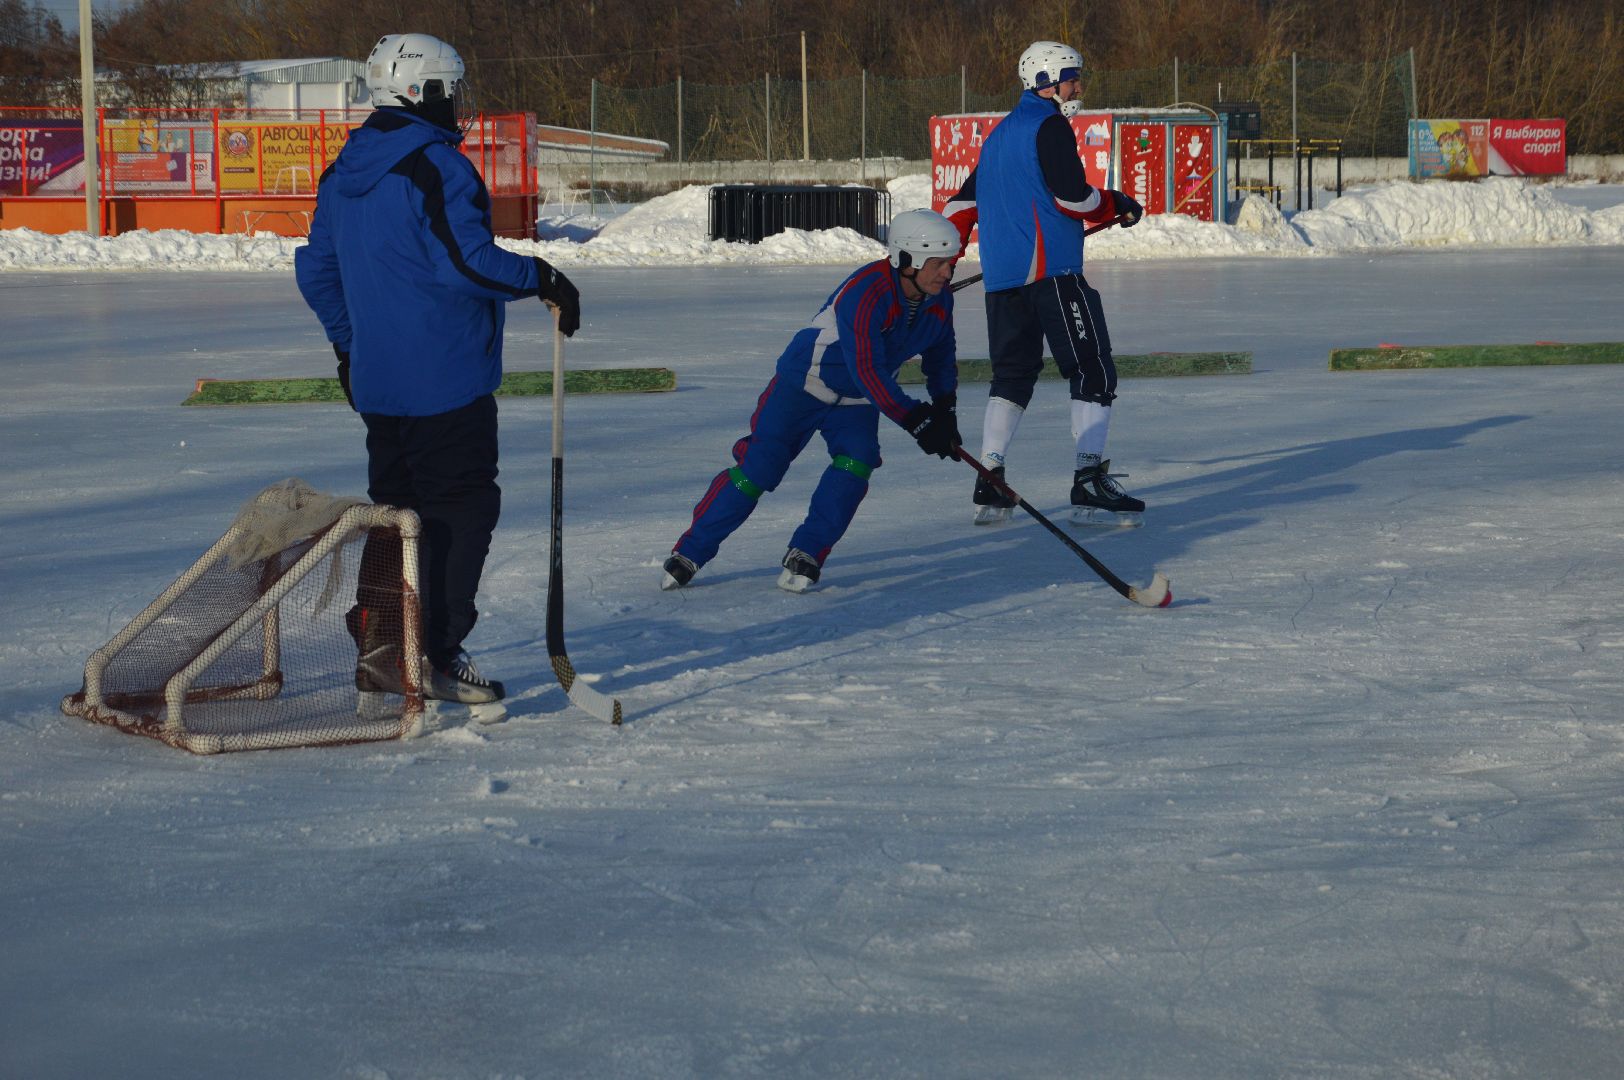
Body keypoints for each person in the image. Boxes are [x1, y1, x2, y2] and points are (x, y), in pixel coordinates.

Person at [295, 32, 580, 704]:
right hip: (446, 382)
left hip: (382, 386)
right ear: (422, 92)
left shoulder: (346, 169)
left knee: (398, 516)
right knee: (459, 510)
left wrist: (349, 350)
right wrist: (543, 277)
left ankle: (381, 651)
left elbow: (318, 272)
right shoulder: (435, 166)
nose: (458, 105)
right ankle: (436, 652)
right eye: (451, 91)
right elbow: (467, 262)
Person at [661, 209, 963, 594]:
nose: (946, 274)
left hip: (858, 399)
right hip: (805, 383)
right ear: (907, 260)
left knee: (858, 461)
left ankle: (807, 551)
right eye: (938, 264)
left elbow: (941, 352)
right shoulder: (866, 292)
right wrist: (915, 419)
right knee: (760, 469)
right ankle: (690, 552)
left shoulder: (940, 300)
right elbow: (866, 368)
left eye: (950, 264)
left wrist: (945, 409)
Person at [943, 40, 1146, 527]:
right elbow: (1073, 198)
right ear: (1044, 82)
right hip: (1053, 276)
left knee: (1012, 375)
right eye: (1072, 76)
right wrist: (1117, 201)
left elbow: (958, 209)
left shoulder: (997, 137)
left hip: (1004, 285)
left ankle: (990, 477)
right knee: (1092, 369)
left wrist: (940, 265)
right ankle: (1088, 479)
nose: (1079, 85)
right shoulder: (1050, 125)